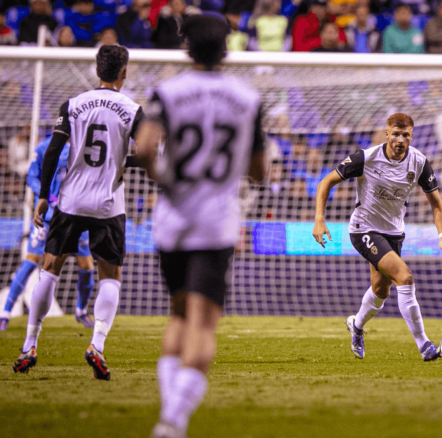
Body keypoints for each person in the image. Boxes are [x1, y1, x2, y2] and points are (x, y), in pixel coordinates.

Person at [133, 14, 266, 438]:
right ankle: (173, 419)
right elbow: (260, 172)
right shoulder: (248, 99)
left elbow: (144, 149)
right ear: (227, 48)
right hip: (215, 223)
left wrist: (167, 179)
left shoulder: (167, 93)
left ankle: (171, 414)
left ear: (186, 47)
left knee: (177, 315)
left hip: (172, 220)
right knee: (203, 323)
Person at [12, 45, 143, 381]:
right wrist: (125, 162)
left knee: (50, 267)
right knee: (110, 276)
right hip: (108, 205)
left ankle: (29, 344)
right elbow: (148, 153)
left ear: (96, 70)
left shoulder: (72, 105)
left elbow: (54, 150)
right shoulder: (132, 110)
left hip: (70, 201)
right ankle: (96, 345)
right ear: (123, 72)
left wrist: (43, 196)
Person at [313, 113, 442, 361]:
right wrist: (319, 220)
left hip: (394, 233)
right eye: (396, 134)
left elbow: (437, 205)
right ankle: (425, 346)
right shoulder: (366, 158)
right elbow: (326, 182)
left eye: (406, 135)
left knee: (381, 291)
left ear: (411, 136)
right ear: (387, 133)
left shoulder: (419, 163)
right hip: (364, 229)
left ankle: (356, 326)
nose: (400, 139)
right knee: (405, 277)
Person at [0, 137, 96, 332]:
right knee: (31, 261)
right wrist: (48, 197)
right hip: (48, 216)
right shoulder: (45, 146)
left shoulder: (84, 147)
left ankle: (81, 311)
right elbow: (31, 177)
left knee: (86, 265)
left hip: (76, 215)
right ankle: (6, 313)